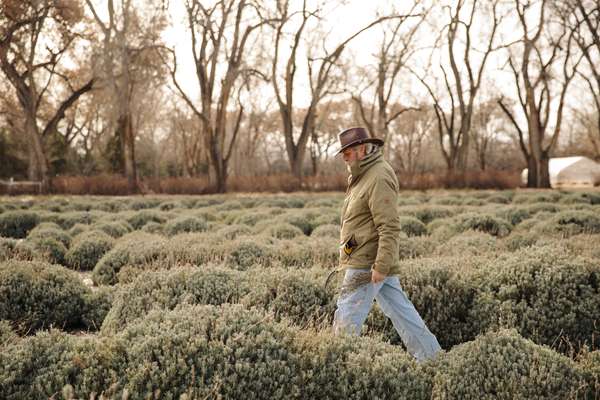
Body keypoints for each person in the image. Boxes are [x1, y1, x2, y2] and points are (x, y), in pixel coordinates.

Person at [332, 126, 441, 362]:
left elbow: (389, 226)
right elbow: (362, 223)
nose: (343, 157)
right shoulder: (363, 174)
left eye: (347, 153)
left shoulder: (378, 176)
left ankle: (335, 365)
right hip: (367, 258)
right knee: (401, 312)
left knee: (347, 314)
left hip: (369, 262)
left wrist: (381, 266)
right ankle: (433, 358)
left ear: (361, 149)